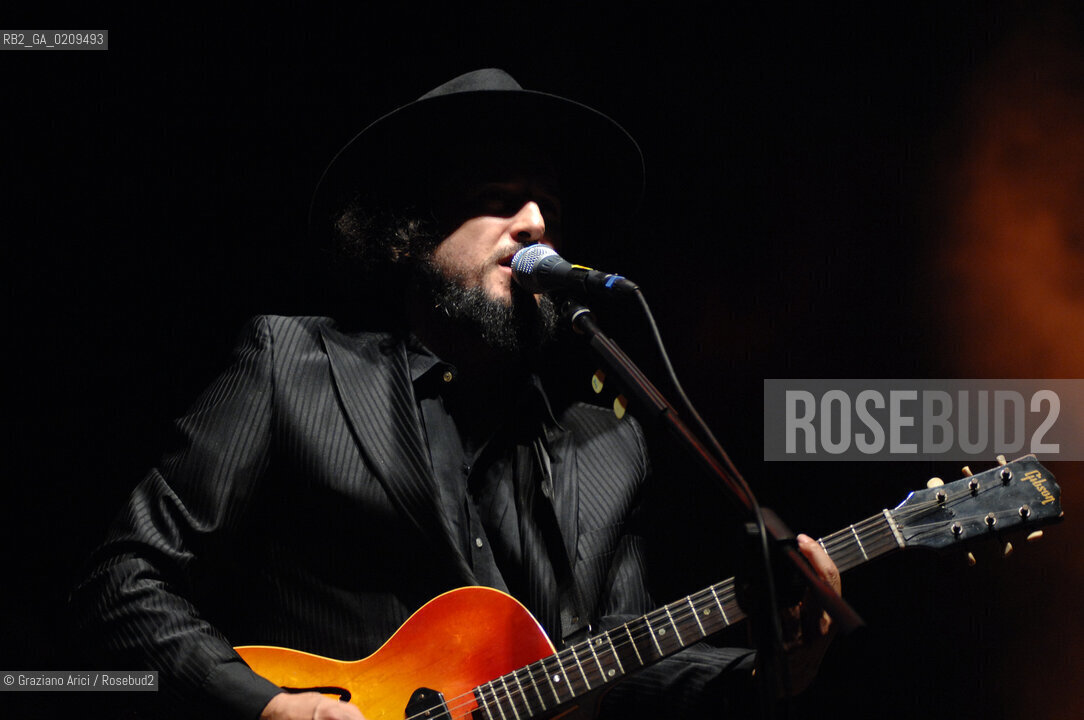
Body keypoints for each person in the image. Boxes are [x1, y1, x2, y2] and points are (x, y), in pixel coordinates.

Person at [72, 69, 840, 720]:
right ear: (409, 232)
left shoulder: (607, 447)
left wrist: (777, 666)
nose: (535, 222)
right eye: (499, 197)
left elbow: (617, 666)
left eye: (547, 208)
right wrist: (265, 704)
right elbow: (125, 579)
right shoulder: (293, 364)